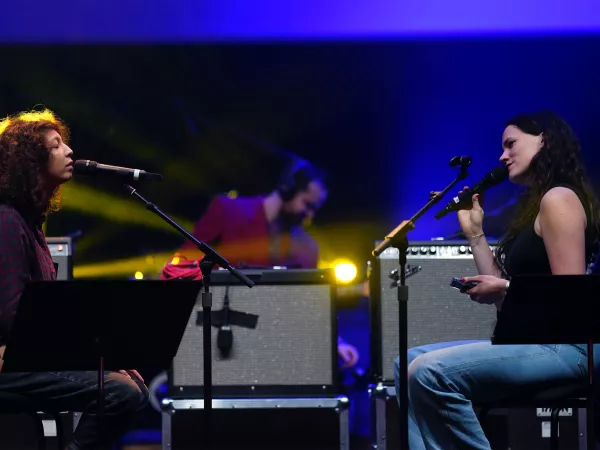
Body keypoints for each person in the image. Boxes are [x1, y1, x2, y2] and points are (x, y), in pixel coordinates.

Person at [394, 110, 600, 449]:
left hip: (571, 349)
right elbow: (509, 300)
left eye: (510, 144)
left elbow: (570, 298)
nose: (502, 156)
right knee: (406, 363)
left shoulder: (559, 198)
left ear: (544, 140)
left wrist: (505, 287)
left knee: (430, 372)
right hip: (535, 342)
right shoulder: (536, 204)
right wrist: (475, 234)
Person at [0, 109, 149, 450]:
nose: (69, 151)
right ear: (31, 162)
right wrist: (94, 358)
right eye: (56, 146)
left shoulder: (29, 224)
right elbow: (14, 319)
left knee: (133, 389)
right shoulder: (7, 221)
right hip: (9, 365)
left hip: (21, 359)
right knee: (119, 391)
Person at [178, 158, 359, 366]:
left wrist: (335, 341)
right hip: (217, 335)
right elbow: (184, 263)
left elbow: (309, 303)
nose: (309, 216)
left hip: (271, 347)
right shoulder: (227, 211)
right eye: (307, 204)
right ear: (287, 189)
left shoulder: (306, 247)